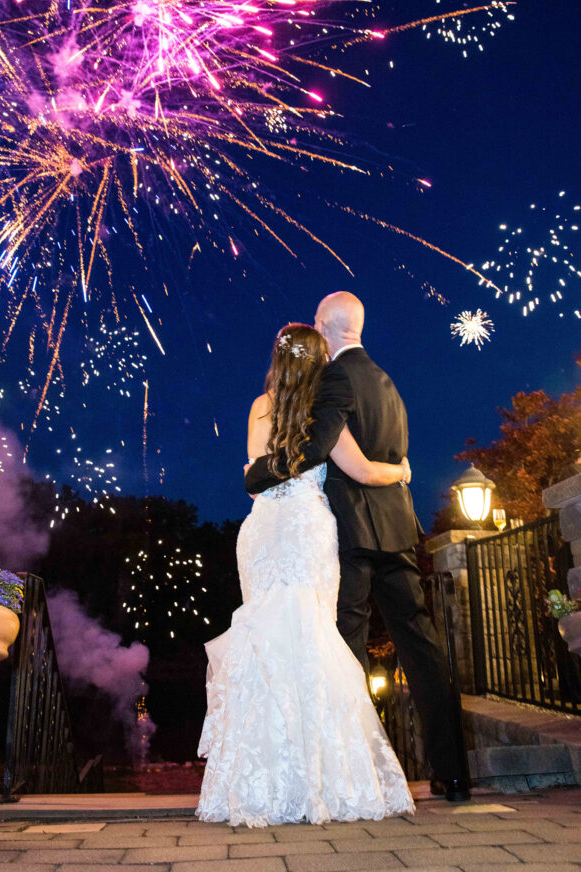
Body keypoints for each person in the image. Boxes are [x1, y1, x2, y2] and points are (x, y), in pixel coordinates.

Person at [245, 292, 470, 803]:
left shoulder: (332, 379)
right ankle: (452, 772)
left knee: (345, 650)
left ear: (324, 329)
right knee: (423, 648)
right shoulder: (388, 383)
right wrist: (403, 473)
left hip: (350, 534)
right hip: (397, 531)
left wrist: (257, 473)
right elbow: (394, 454)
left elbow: (317, 447)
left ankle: (352, 774)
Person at [197, 323, 415, 827]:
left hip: (263, 531)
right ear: (320, 363)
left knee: (265, 638)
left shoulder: (259, 407)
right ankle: (321, 780)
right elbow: (362, 472)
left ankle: (258, 783)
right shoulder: (324, 417)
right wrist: (401, 471)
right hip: (307, 530)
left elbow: (253, 481)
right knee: (313, 637)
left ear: (277, 360)